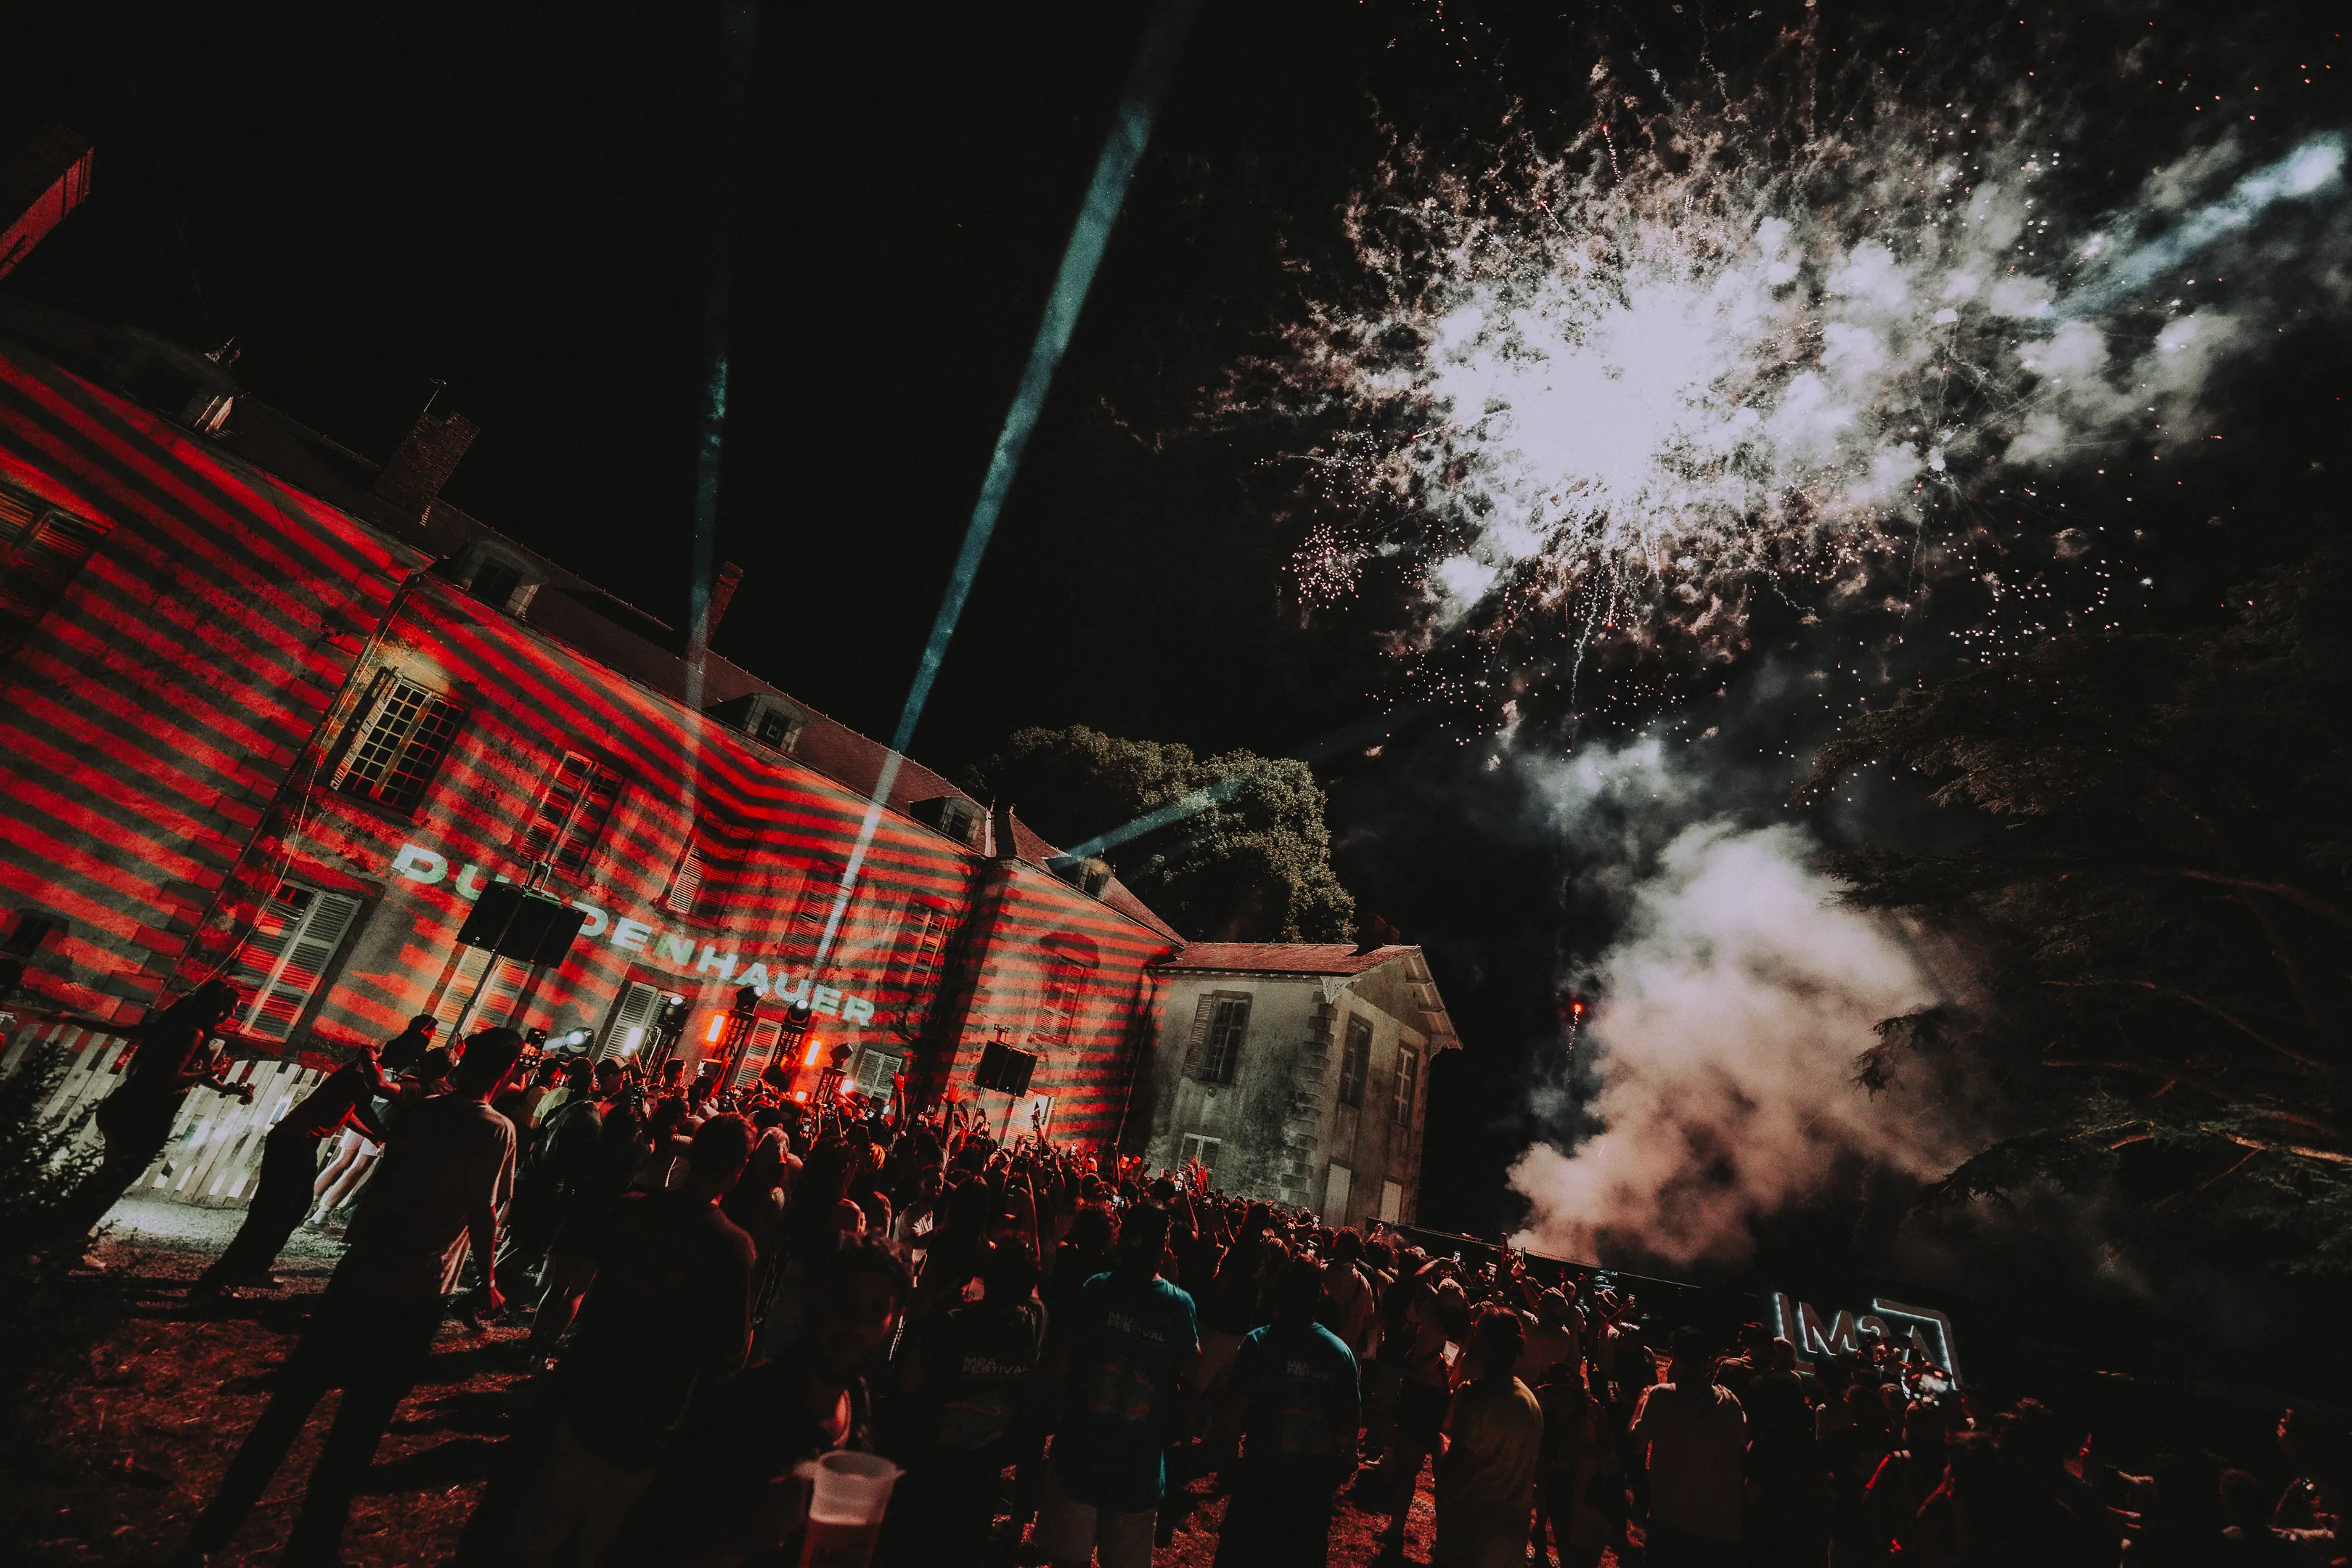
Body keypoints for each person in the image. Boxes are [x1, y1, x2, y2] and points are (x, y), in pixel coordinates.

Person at [173, 1026, 525, 1567]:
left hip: (361, 1272)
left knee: (291, 1404)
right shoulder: (495, 1130)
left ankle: (213, 1528)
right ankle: (311, 1546)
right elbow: (483, 1211)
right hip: (416, 1290)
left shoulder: (427, 1109)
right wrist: (490, 1280)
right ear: (507, 1072)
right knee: (359, 1427)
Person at [508, 1113, 758, 1568]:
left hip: (586, 1388)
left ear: (691, 1152)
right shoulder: (731, 1247)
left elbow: (587, 1280)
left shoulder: (632, 1209)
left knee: (538, 1538)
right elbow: (730, 1352)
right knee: (605, 1544)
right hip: (650, 1416)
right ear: (739, 1170)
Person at [605, 1234, 912, 1567]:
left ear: (893, 1318)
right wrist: (748, 1534)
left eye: (877, 1306)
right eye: (842, 1297)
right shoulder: (745, 1406)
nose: (855, 1321)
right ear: (812, 1297)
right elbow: (645, 1548)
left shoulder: (857, 1398)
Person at [1038, 1201, 1199, 1568]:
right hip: (1136, 1467)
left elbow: (1060, 1363)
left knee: (1067, 1560)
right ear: (1165, 1247)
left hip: (1081, 1451)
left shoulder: (1096, 1289)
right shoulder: (1178, 1306)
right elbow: (1195, 1372)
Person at [49, 979, 252, 1246]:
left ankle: (59, 1226)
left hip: (127, 1105)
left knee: (108, 1174)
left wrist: (227, 1088)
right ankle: (68, 1238)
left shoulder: (171, 1027)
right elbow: (172, 1078)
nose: (233, 1015)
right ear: (217, 1008)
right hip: (144, 1113)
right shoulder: (194, 1034)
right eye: (230, 1008)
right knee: (115, 1179)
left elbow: (117, 1030)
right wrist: (206, 1072)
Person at [883, 1241, 1049, 1565]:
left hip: (934, 1463)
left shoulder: (952, 1325)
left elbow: (909, 1382)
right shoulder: (1033, 1324)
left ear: (985, 1277)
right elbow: (1034, 1298)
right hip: (985, 1468)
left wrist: (943, 1303)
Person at [192, 1038, 395, 1296]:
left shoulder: (360, 1073)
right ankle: (220, 1277)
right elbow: (363, 1107)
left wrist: (373, 1135)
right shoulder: (362, 1074)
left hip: (300, 1141)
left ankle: (252, 1268)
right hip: (295, 1141)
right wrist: (385, 1134)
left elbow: (349, 1111)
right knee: (273, 1213)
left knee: (292, 1209)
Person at [1214, 1257, 1361, 1568]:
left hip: (1260, 1482)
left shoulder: (1259, 1344)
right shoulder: (1340, 1354)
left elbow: (1231, 1417)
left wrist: (1230, 1468)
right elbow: (1351, 1422)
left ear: (1279, 1293)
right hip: (1311, 1491)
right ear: (1319, 1297)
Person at [1629, 1326, 1748, 1568]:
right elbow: (1741, 1448)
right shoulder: (1730, 1402)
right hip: (1715, 1527)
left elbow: (1635, 1445)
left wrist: (1639, 1404)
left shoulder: (1661, 1397)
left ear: (1675, 1357)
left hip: (1669, 1522)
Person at [1434, 1307, 1544, 1568]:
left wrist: (1438, 1440)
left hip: (1472, 1532)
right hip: (1512, 1536)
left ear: (1486, 1343)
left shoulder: (1473, 1395)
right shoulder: (1529, 1402)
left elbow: (1452, 1468)